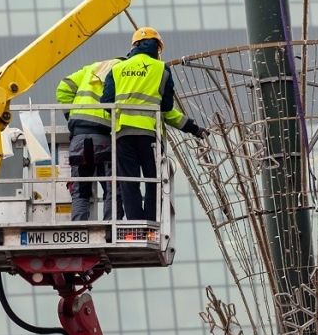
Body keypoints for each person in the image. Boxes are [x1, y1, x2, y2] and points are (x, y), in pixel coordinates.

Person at [101, 27, 208, 221]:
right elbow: (166, 107)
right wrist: (194, 128)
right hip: (150, 135)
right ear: (158, 48)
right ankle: (150, 222)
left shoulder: (117, 69)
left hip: (123, 134)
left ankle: (135, 223)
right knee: (154, 181)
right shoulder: (161, 69)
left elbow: (106, 102)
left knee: (128, 181)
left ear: (134, 45)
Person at [56, 58, 124, 222]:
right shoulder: (123, 71)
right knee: (112, 188)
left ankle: (79, 227)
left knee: (80, 191)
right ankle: (110, 227)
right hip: (103, 137)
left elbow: (63, 88)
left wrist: (72, 115)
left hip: (79, 136)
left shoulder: (91, 68)